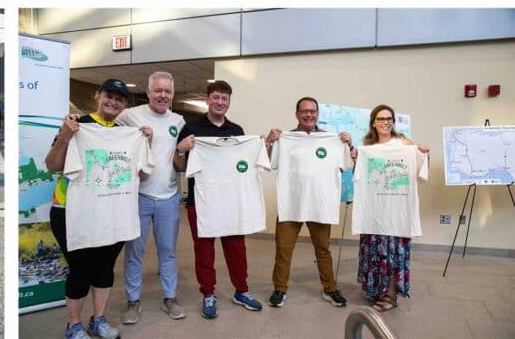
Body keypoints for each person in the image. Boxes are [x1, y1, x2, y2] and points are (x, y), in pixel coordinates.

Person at [45, 78, 153, 339]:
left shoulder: (126, 133)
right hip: (71, 209)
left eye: (119, 99)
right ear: (97, 95)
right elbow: (52, 165)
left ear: (124, 105)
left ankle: (98, 320)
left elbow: (142, 176)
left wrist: (147, 143)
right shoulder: (76, 126)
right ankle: (73, 325)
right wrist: (65, 136)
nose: (113, 102)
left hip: (112, 210)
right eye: (109, 96)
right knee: (81, 269)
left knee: (105, 267)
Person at [174, 80, 263, 319]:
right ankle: (208, 294)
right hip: (200, 200)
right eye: (216, 97)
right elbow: (180, 167)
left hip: (232, 201)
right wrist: (181, 149)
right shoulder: (192, 129)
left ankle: (241, 291)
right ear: (207, 99)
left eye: (224, 98)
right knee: (204, 251)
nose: (220, 102)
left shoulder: (237, 131)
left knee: (237, 249)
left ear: (229, 102)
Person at [264, 97, 352, 309]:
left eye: (312, 111)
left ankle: (330, 288)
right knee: (283, 249)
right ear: (297, 114)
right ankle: (279, 289)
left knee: (323, 249)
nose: (309, 115)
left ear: (317, 114)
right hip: (291, 204)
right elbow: (269, 163)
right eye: (304, 111)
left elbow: (347, 164)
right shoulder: (285, 139)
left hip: (319, 205)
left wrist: (348, 144)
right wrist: (269, 142)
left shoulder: (332, 140)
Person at [115, 71, 187, 323]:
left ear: (172, 94)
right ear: (148, 92)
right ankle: (133, 301)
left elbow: (179, 161)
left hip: (168, 197)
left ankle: (170, 297)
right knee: (135, 251)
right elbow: (109, 136)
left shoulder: (178, 120)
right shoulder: (129, 116)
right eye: (158, 90)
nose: (163, 95)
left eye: (167, 91)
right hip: (139, 196)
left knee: (168, 251)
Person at [352, 104, 430, 312]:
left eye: (389, 119)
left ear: (393, 122)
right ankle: (377, 290)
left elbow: (420, 170)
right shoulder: (367, 147)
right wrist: (356, 159)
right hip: (374, 212)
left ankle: (391, 295)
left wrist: (423, 154)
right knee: (375, 252)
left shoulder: (403, 144)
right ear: (373, 123)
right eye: (380, 119)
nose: (385, 122)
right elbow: (361, 177)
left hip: (397, 213)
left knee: (394, 253)